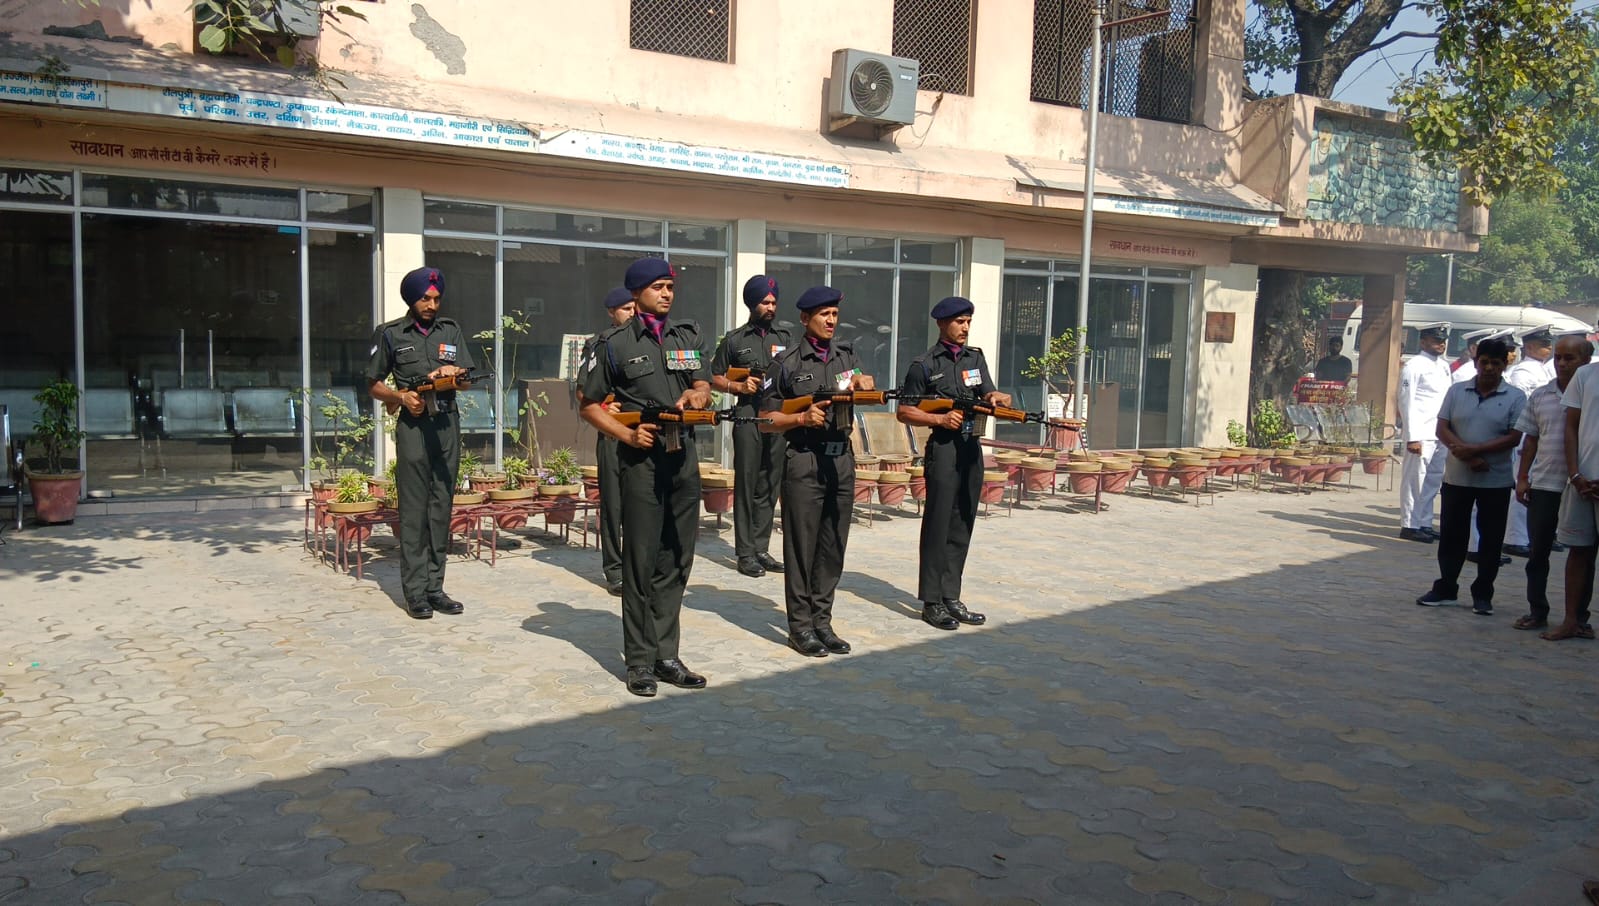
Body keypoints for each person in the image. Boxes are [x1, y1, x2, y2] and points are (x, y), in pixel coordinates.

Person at [580, 257, 713, 696]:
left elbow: (702, 382)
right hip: (641, 462)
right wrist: (626, 434)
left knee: (676, 560)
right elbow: (589, 404)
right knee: (640, 563)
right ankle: (639, 662)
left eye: (670, 287)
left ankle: (666, 655)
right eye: (658, 287)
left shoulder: (686, 335)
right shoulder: (614, 344)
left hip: (684, 457)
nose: (667, 294)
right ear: (636, 294)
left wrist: (698, 391)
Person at [758, 286, 873, 657]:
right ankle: (800, 627)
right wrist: (799, 417)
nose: (830, 320)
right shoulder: (786, 362)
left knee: (832, 546)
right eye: (823, 314)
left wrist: (863, 382)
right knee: (802, 547)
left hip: (841, 460)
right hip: (805, 459)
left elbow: (857, 381)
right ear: (805, 319)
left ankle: (823, 622)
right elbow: (765, 419)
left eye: (834, 314)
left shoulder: (846, 355)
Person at [365, 266, 477, 619]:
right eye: (425, 298)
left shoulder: (451, 330)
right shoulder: (390, 334)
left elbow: (468, 380)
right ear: (411, 299)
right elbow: (371, 382)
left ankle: (435, 587)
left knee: (441, 506)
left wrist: (454, 375)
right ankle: (415, 593)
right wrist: (400, 397)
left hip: (446, 423)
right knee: (414, 510)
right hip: (413, 425)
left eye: (436, 298)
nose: (431, 304)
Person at [895, 296, 1011, 631]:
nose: (965, 328)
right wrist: (940, 419)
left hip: (970, 448)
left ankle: (951, 595)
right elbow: (905, 411)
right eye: (959, 321)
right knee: (938, 524)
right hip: (944, 449)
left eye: (968, 322)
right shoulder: (925, 365)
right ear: (942, 323)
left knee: (962, 521)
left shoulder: (975, 358)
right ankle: (932, 601)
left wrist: (996, 397)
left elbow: (987, 391)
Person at [1415, 337, 1526, 615]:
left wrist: (1476, 451)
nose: (1488, 368)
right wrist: (1463, 452)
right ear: (1476, 362)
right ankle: (1446, 588)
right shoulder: (1456, 391)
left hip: (1495, 480)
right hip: (1457, 477)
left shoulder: (1515, 396)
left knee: (1490, 538)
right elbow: (1442, 427)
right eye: (1484, 362)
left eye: (1495, 363)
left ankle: (1483, 594)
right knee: (1452, 535)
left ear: (1504, 365)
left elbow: (1514, 437)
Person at [712, 275, 793, 578]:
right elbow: (715, 376)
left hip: (777, 418)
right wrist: (737, 386)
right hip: (747, 416)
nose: (771, 307)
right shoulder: (734, 340)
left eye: (773, 302)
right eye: (765, 302)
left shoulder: (785, 337)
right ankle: (745, 553)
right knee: (747, 484)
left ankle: (761, 548)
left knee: (770, 482)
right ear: (752, 304)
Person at [1512, 332, 1592, 631]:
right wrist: (1522, 478)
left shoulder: (1592, 396)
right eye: (1558, 357)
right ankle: (1537, 610)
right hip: (1545, 483)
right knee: (1538, 552)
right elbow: (1530, 440)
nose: (1561, 363)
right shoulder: (1542, 395)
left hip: (1582, 485)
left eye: (1569, 358)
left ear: (1586, 361)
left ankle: (1578, 618)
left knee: (1583, 554)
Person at [577, 286, 635, 597]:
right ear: (612, 313)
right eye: (625, 308)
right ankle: (615, 569)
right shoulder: (599, 345)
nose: (632, 313)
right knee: (613, 503)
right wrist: (603, 407)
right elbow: (583, 393)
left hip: (644, 433)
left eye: (634, 307)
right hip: (613, 433)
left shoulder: (649, 341)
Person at [1548, 348, 1599, 641]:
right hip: (1582, 481)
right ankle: (1571, 620)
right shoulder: (1585, 375)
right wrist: (1575, 474)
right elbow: (1571, 427)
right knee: (1578, 551)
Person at [1501, 325, 1557, 557]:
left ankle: (1530, 535)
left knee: (1536, 486)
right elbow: (1520, 409)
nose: (1549, 348)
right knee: (1521, 485)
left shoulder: (1543, 369)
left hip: (1541, 435)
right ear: (1531, 347)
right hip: (1526, 435)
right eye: (1544, 345)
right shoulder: (1523, 372)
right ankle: (1515, 537)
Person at [1397, 322, 1453, 543]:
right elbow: (1406, 401)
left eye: (1442, 341)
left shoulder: (1443, 366)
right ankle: (1409, 524)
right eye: (1435, 340)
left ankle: (1425, 522)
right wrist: (1412, 436)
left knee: (1432, 480)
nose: (1440, 344)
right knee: (1414, 479)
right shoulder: (1414, 365)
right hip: (1420, 432)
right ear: (1423, 342)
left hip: (1438, 432)